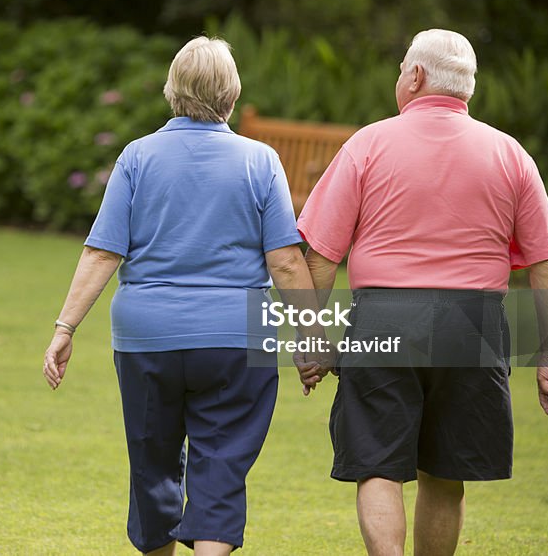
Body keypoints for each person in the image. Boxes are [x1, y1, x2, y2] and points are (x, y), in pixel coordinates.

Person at [43, 36, 332, 556]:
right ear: (232, 92)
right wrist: (312, 336)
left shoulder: (137, 157)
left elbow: (102, 254)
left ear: (171, 89)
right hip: (237, 339)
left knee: (152, 460)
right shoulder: (259, 161)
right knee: (220, 461)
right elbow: (286, 261)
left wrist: (65, 328)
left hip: (147, 338)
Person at [294, 29, 548, 556]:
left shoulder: (368, 143)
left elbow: (321, 257)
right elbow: (547, 262)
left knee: (376, 464)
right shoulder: (510, 153)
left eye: (401, 68)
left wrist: (312, 337)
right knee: (446, 472)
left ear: (416, 77)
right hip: (474, 323)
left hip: (382, 318)